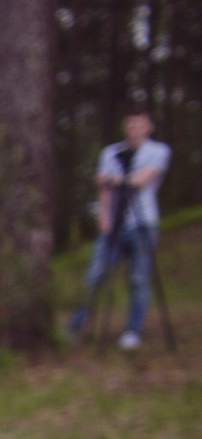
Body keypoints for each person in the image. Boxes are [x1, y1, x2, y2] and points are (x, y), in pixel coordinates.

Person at [68, 105, 173, 351]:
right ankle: (77, 327)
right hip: (114, 225)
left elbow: (140, 181)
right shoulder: (111, 153)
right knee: (96, 275)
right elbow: (102, 188)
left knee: (139, 278)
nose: (134, 129)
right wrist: (104, 217)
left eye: (139, 124)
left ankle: (133, 331)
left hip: (143, 224)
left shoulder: (158, 151)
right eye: (130, 124)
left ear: (148, 127)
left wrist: (114, 180)